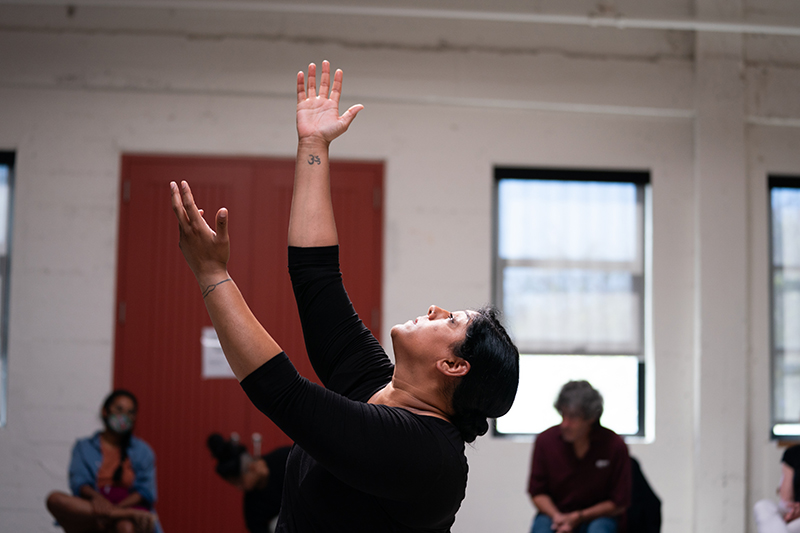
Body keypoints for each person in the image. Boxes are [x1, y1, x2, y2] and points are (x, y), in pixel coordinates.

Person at [169, 60, 520, 532]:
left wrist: (212, 274)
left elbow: (283, 392)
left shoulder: (426, 453)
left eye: (452, 320)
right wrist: (313, 146)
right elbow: (317, 277)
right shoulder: (376, 385)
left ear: (455, 366)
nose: (435, 309)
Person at [46, 390, 161, 533]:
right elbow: (79, 482)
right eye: (119, 409)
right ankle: (118, 515)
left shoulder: (143, 451)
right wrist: (98, 500)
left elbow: (145, 491)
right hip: (93, 506)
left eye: (130, 412)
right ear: (105, 411)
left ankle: (122, 514)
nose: (124, 416)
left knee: (125, 526)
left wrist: (117, 508)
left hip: (128, 506)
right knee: (54, 499)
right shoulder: (84, 447)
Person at [528, 380, 631, 533]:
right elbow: (537, 492)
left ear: (590, 418)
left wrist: (578, 517)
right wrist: (558, 517)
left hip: (599, 516)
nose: (565, 424)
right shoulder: (546, 441)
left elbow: (619, 502)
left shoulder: (614, 445)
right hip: (555, 513)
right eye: (563, 415)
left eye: (572, 417)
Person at [206, 433, 291, 533]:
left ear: (251, 468)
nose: (239, 488)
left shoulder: (284, 458)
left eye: (240, 482)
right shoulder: (253, 508)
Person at [754, 444, 800, 533]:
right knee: (762, 506)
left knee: (788, 529)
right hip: (793, 509)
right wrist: (791, 513)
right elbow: (786, 498)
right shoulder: (793, 453)